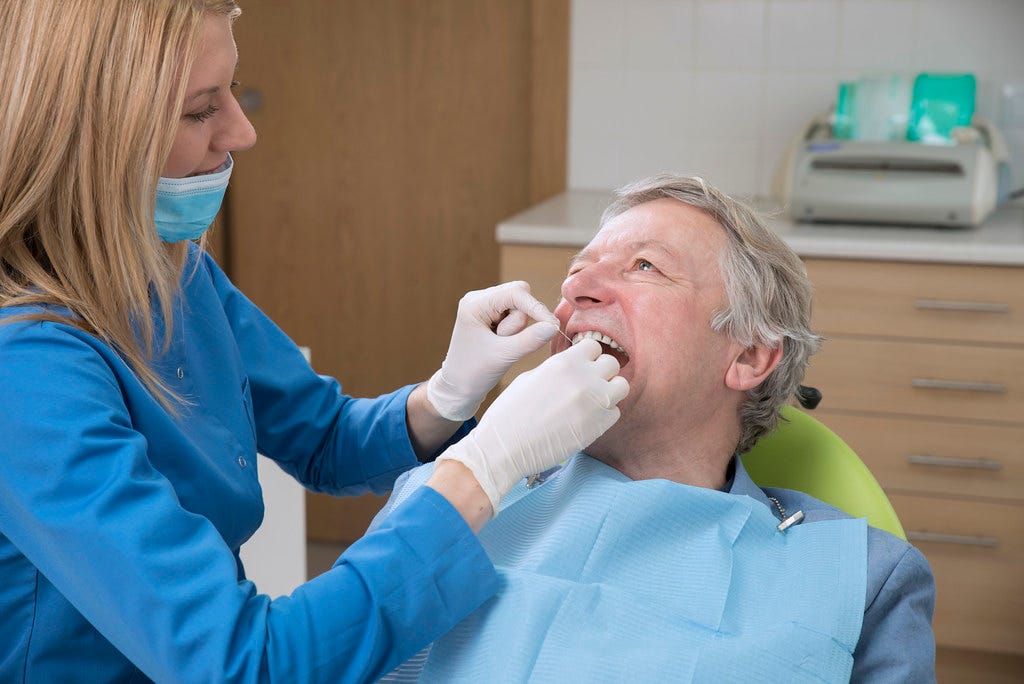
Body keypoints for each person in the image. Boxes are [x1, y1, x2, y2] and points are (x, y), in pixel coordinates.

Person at [0, 2, 629, 682]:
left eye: (233, 92)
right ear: (91, 140)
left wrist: (447, 396)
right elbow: (247, 664)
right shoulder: (25, 375)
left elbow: (324, 438)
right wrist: (484, 467)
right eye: (200, 110)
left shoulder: (175, 274)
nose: (241, 133)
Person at [376, 174, 937, 683]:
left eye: (646, 266)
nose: (576, 290)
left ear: (749, 355)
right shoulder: (442, 496)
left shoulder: (860, 578)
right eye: (576, 270)